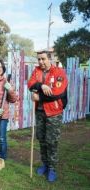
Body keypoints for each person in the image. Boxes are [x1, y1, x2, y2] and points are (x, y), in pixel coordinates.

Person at [28, 51, 68, 182]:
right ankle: (45, 164)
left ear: (50, 59)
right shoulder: (37, 71)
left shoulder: (59, 72)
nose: (40, 62)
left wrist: (39, 96)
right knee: (42, 140)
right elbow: (30, 84)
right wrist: (41, 85)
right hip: (39, 112)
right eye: (38, 59)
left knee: (52, 141)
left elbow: (57, 93)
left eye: (43, 59)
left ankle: (52, 168)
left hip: (54, 113)